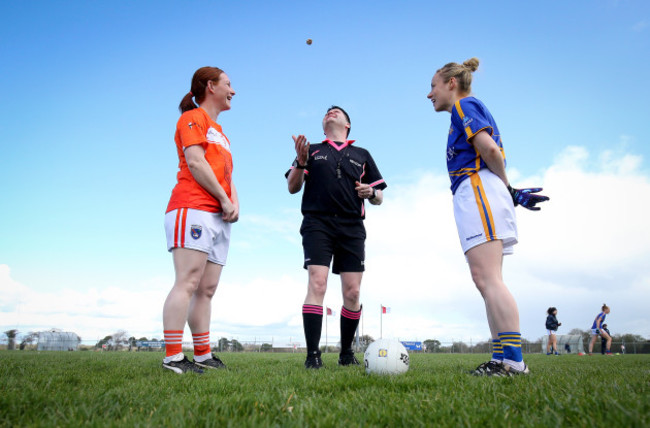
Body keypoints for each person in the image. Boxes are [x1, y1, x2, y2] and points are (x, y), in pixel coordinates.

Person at [426, 58, 549, 377]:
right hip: (477, 190)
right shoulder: (462, 110)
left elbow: (490, 151)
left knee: (488, 278)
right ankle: (502, 359)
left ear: (451, 83)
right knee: (486, 279)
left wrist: (508, 188)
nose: (430, 94)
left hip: (478, 187)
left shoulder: (464, 106)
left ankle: (512, 361)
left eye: (433, 85)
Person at [286, 106, 387, 369]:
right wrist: (300, 160)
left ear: (348, 124)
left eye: (336, 111)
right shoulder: (312, 151)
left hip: (352, 227)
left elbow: (379, 197)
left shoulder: (361, 154)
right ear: (323, 126)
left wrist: (370, 192)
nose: (331, 112)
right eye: (327, 112)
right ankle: (313, 356)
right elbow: (292, 187)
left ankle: (346, 353)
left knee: (352, 292)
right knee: (317, 284)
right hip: (317, 223)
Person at [161, 67, 239, 374]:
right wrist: (223, 198)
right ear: (211, 86)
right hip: (192, 207)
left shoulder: (222, 134)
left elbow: (228, 175)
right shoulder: (191, 118)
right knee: (188, 281)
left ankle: (203, 354)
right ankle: (172, 356)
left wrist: (233, 203)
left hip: (219, 216)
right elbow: (195, 161)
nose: (233, 91)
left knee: (207, 288)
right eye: (229, 84)